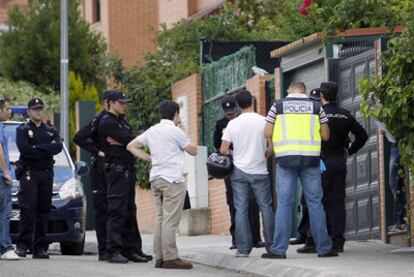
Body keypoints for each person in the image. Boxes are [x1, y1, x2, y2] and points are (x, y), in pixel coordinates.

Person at [262, 81, 337, 259]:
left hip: (286, 159)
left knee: (285, 204)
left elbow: (267, 131)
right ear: (304, 91)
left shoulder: (278, 105)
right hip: (310, 159)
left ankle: (279, 249)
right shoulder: (316, 106)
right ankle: (324, 248)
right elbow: (326, 136)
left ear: (289, 90)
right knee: (315, 203)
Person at [296, 82, 368, 254]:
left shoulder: (318, 115)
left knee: (317, 202)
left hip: (320, 162)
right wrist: (349, 151)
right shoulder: (345, 114)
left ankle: (314, 241)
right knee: (337, 202)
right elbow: (363, 135)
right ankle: (337, 242)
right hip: (339, 162)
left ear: (321, 96)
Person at [127, 100, 197, 270]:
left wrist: (150, 158)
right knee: (170, 220)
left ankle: (160, 257)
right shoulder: (175, 131)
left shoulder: (152, 131)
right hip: (172, 179)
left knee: (160, 218)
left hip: (156, 178)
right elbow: (194, 150)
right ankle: (171, 257)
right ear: (176, 114)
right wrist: (184, 129)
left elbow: (131, 146)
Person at [220, 90, 274, 257]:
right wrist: (262, 155)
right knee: (266, 207)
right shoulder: (264, 120)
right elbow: (271, 148)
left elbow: (223, 149)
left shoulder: (232, 124)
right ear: (252, 101)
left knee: (241, 209)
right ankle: (272, 246)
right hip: (260, 171)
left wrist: (235, 155)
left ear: (237, 105)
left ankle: (243, 249)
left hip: (240, 172)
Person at [98, 91, 148, 264]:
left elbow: (132, 140)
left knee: (129, 211)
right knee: (116, 211)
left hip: (127, 169)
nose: (124, 105)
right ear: (111, 103)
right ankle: (113, 250)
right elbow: (129, 140)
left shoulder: (122, 122)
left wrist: (127, 142)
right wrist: (127, 142)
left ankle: (130, 249)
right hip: (117, 170)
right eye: (121, 103)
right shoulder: (107, 122)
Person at [213, 94, 264, 250]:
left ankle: (255, 238)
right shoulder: (220, 124)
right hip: (231, 167)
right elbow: (217, 145)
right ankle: (237, 238)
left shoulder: (244, 121)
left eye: (232, 111)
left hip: (248, 164)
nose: (231, 114)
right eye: (228, 112)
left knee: (252, 201)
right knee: (234, 202)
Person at [15, 98, 63, 259]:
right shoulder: (23, 129)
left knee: (43, 210)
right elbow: (24, 149)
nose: (38, 111)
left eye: (40, 109)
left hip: (46, 173)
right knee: (28, 209)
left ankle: (40, 247)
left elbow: (57, 147)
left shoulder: (50, 130)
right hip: (29, 173)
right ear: (29, 111)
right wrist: (44, 151)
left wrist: (37, 148)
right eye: (34, 109)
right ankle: (22, 245)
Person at [375, 121, 407, 232]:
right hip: (394, 145)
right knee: (395, 184)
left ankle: (401, 222)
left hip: (400, 144)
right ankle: (400, 222)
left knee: (396, 183)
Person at [0, 97, 19, 260]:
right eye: (7, 109)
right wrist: (5, 172)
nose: (9, 111)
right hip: (0, 178)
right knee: (5, 212)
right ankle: (5, 248)